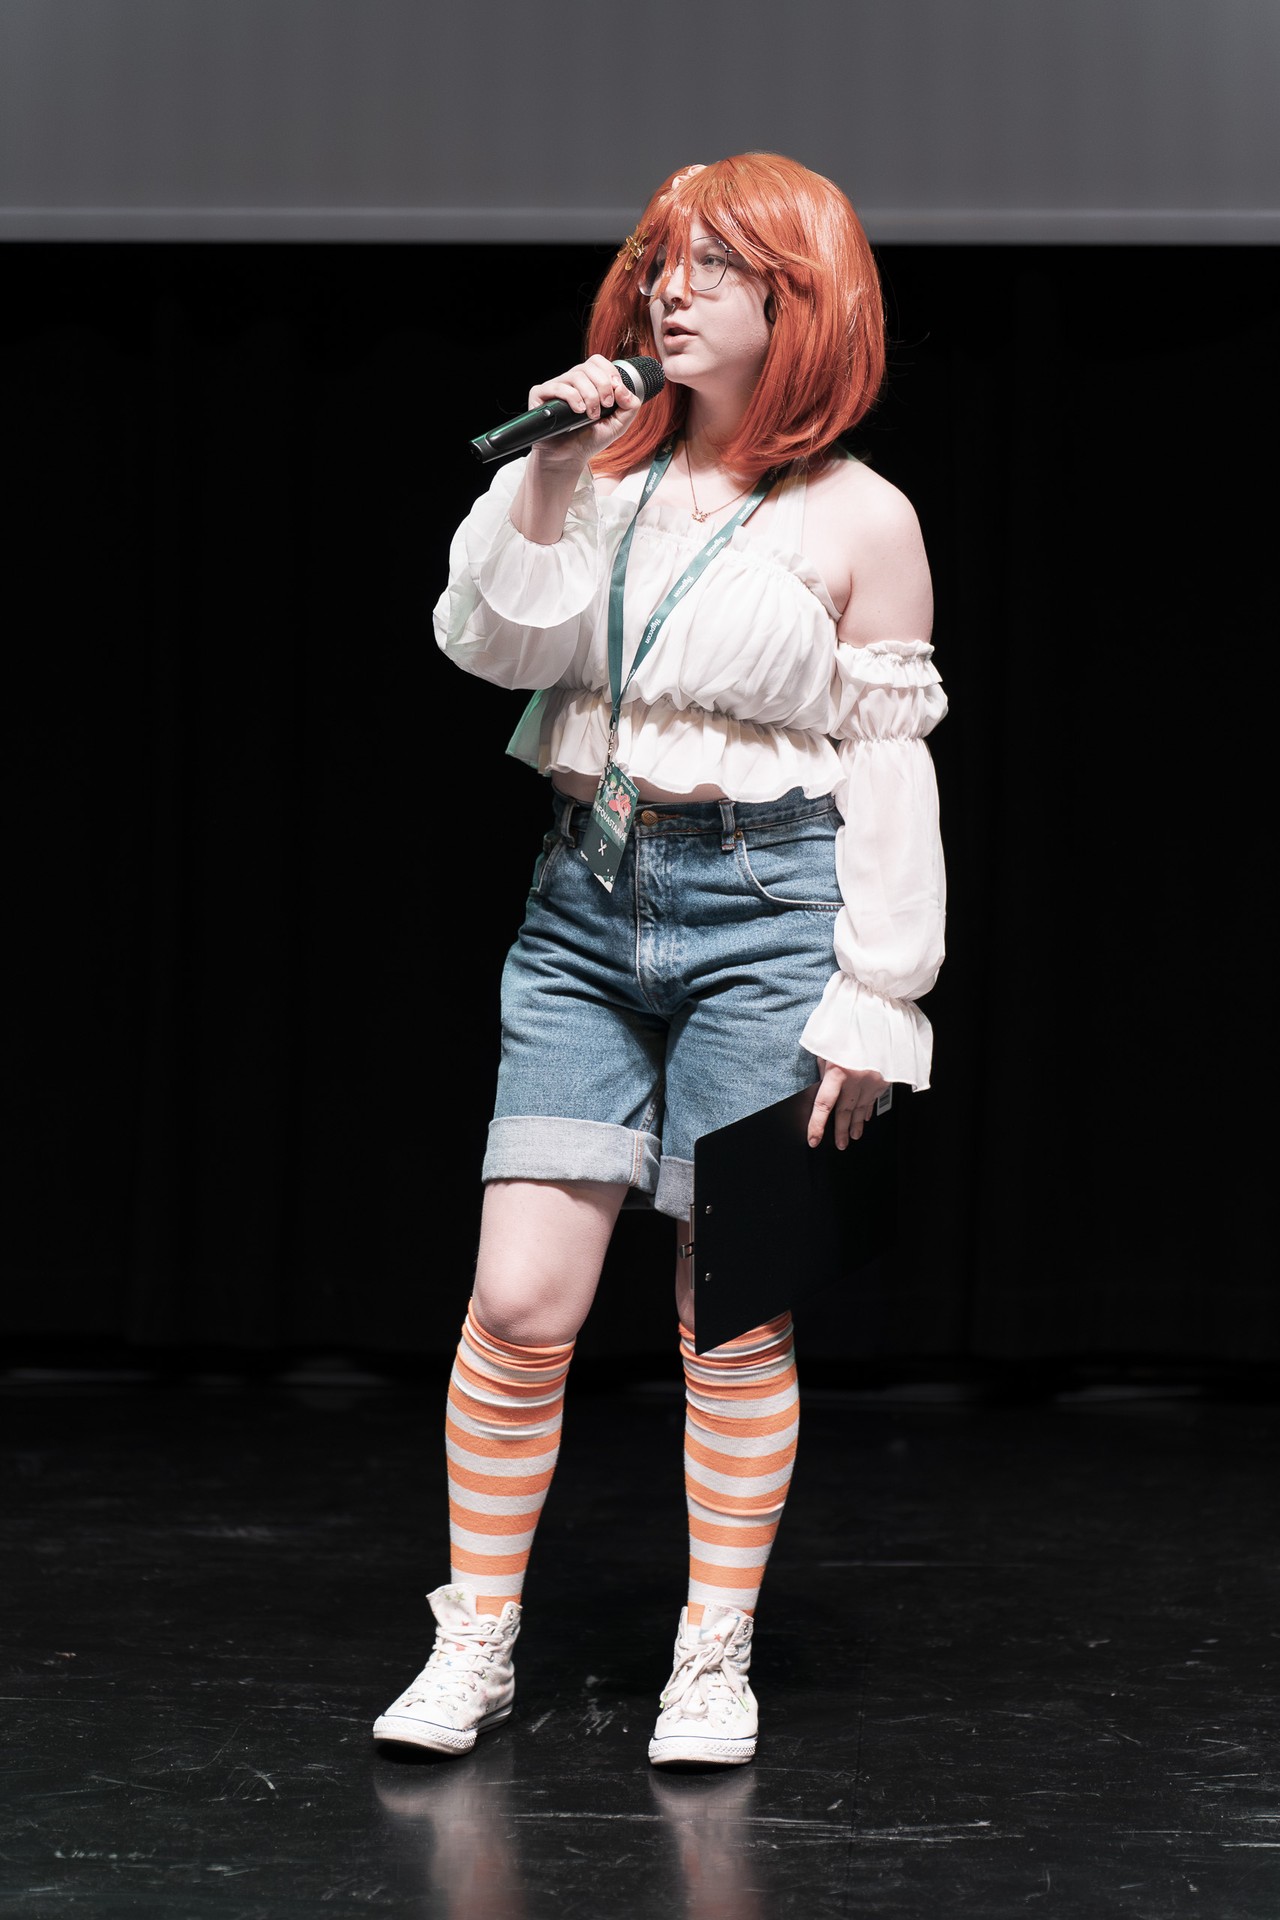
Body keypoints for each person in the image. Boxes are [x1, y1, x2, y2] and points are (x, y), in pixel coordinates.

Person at [373, 152, 946, 1768]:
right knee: (518, 1299)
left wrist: (879, 993)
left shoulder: (861, 516)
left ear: (800, 298)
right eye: (662, 263)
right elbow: (492, 642)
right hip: (584, 902)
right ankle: (476, 1637)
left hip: (767, 911)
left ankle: (713, 1655)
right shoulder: (606, 471)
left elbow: (888, 764)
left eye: (716, 266)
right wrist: (551, 471)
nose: (671, 290)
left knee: (734, 1316)